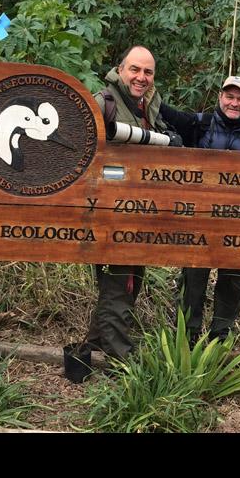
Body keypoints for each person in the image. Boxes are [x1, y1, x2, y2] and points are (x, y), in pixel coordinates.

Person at [71, 46, 175, 376]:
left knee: (130, 279)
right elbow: (77, 149)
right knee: (120, 280)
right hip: (108, 211)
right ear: (120, 70)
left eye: (148, 72)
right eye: (135, 69)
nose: (141, 77)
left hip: (140, 209)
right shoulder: (103, 102)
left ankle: (89, 348)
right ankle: (121, 361)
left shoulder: (150, 104)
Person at [160, 75, 240, 345]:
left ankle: (219, 340)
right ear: (220, 97)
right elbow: (167, 113)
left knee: (233, 282)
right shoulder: (200, 124)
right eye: (229, 97)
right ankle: (187, 340)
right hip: (199, 222)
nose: (234, 103)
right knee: (193, 279)